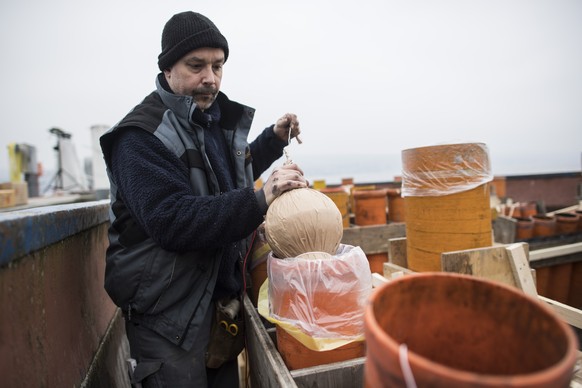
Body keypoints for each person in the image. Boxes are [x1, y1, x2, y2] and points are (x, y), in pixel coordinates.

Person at [99, 11, 308, 387]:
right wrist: (260, 200)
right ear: (166, 69)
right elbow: (171, 219)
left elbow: (228, 175)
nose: (209, 78)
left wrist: (271, 141)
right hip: (168, 314)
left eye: (218, 65)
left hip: (215, 303)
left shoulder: (205, 118)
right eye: (195, 66)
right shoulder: (140, 137)